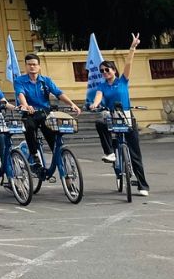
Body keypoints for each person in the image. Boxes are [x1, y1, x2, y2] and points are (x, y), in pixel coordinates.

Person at [88, 33, 149, 196]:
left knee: (135, 154)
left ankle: (142, 185)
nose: (104, 72)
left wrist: (132, 47)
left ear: (114, 70)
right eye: (102, 71)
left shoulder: (122, 81)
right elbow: (98, 97)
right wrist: (95, 104)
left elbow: (129, 62)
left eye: (107, 69)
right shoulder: (101, 86)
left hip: (127, 118)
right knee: (100, 122)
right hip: (111, 117)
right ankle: (110, 153)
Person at [14, 52, 80, 178]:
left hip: (45, 113)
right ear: (26, 66)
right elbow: (20, 94)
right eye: (29, 65)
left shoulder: (45, 81)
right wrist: (26, 106)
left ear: (39, 66)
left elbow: (58, 93)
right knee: (29, 127)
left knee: (53, 139)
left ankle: (63, 166)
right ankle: (34, 155)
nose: (32, 67)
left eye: (34, 64)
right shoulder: (19, 81)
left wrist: (72, 104)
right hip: (30, 113)